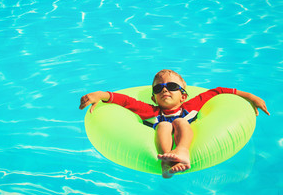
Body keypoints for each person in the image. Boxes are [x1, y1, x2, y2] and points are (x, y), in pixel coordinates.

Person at [79, 69, 270, 178]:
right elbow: (126, 101)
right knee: (163, 125)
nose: (165, 90)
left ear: (183, 95)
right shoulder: (151, 111)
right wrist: (100, 95)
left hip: (184, 132)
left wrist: (251, 97)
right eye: (158, 88)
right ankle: (167, 163)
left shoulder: (191, 105)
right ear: (153, 97)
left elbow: (218, 91)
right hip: (163, 135)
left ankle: (182, 151)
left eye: (171, 87)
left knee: (179, 121)